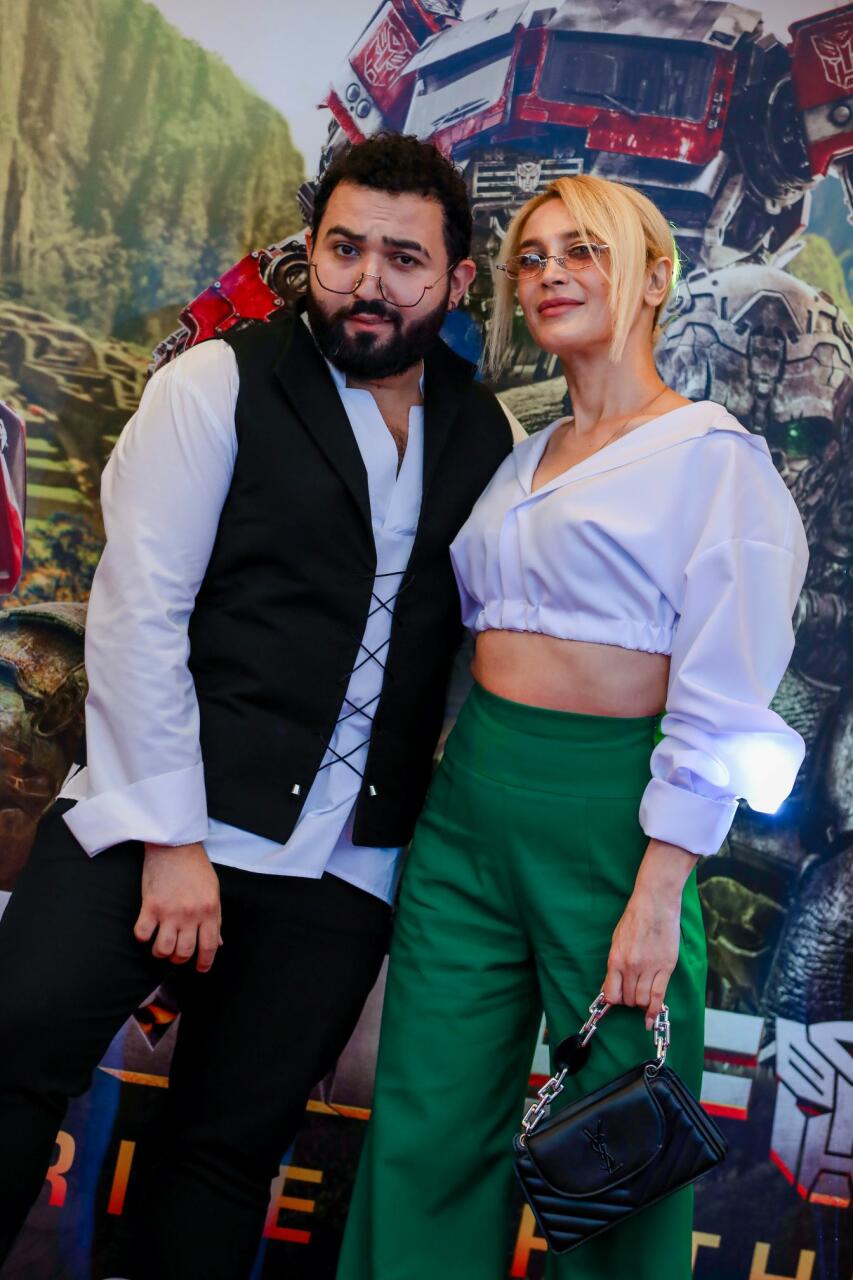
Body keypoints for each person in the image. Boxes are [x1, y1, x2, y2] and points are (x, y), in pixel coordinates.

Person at [0, 134, 518, 1279]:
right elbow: (140, 611)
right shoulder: (215, 383)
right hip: (149, 821)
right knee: (14, 1056)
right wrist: (174, 838)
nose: (367, 280)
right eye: (344, 249)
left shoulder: (489, 437)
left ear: (455, 280)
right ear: (310, 250)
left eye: (402, 258)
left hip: (339, 869)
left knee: (224, 1156)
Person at [336, 174, 809, 1280]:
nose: (551, 273)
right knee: (424, 1128)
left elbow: (726, 694)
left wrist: (660, 889)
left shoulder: (714, 458)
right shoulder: (518, 453)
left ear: (653, 279)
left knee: (616, 1153)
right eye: (534, 257)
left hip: (613, 816)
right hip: (468, 808)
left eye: (583, 250)